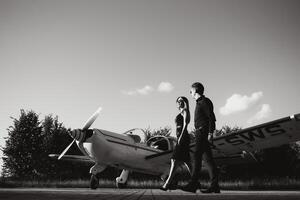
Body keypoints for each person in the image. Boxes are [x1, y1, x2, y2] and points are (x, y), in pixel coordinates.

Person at [182, 82, 220, 193]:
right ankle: (215, 186)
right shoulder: (199, 102)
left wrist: (210, 133)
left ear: (196, 91)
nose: (190, 93)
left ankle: (193, 184)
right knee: (208, 160)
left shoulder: (204, 102)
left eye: (191, 91)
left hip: (203, 132)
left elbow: (211, 118)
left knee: (196, 156)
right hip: (200, 132)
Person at [161, 96, 192, 191]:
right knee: (188, 163)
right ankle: (196, 181)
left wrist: (181, 136)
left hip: (183, 138)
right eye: (178, 101)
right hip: (180, 138)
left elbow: (186, 124)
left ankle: (167, 183)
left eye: (182, 101)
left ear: (185, 102)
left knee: (174, 160)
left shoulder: (185, 111)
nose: (179, 102)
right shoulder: (181, 112)